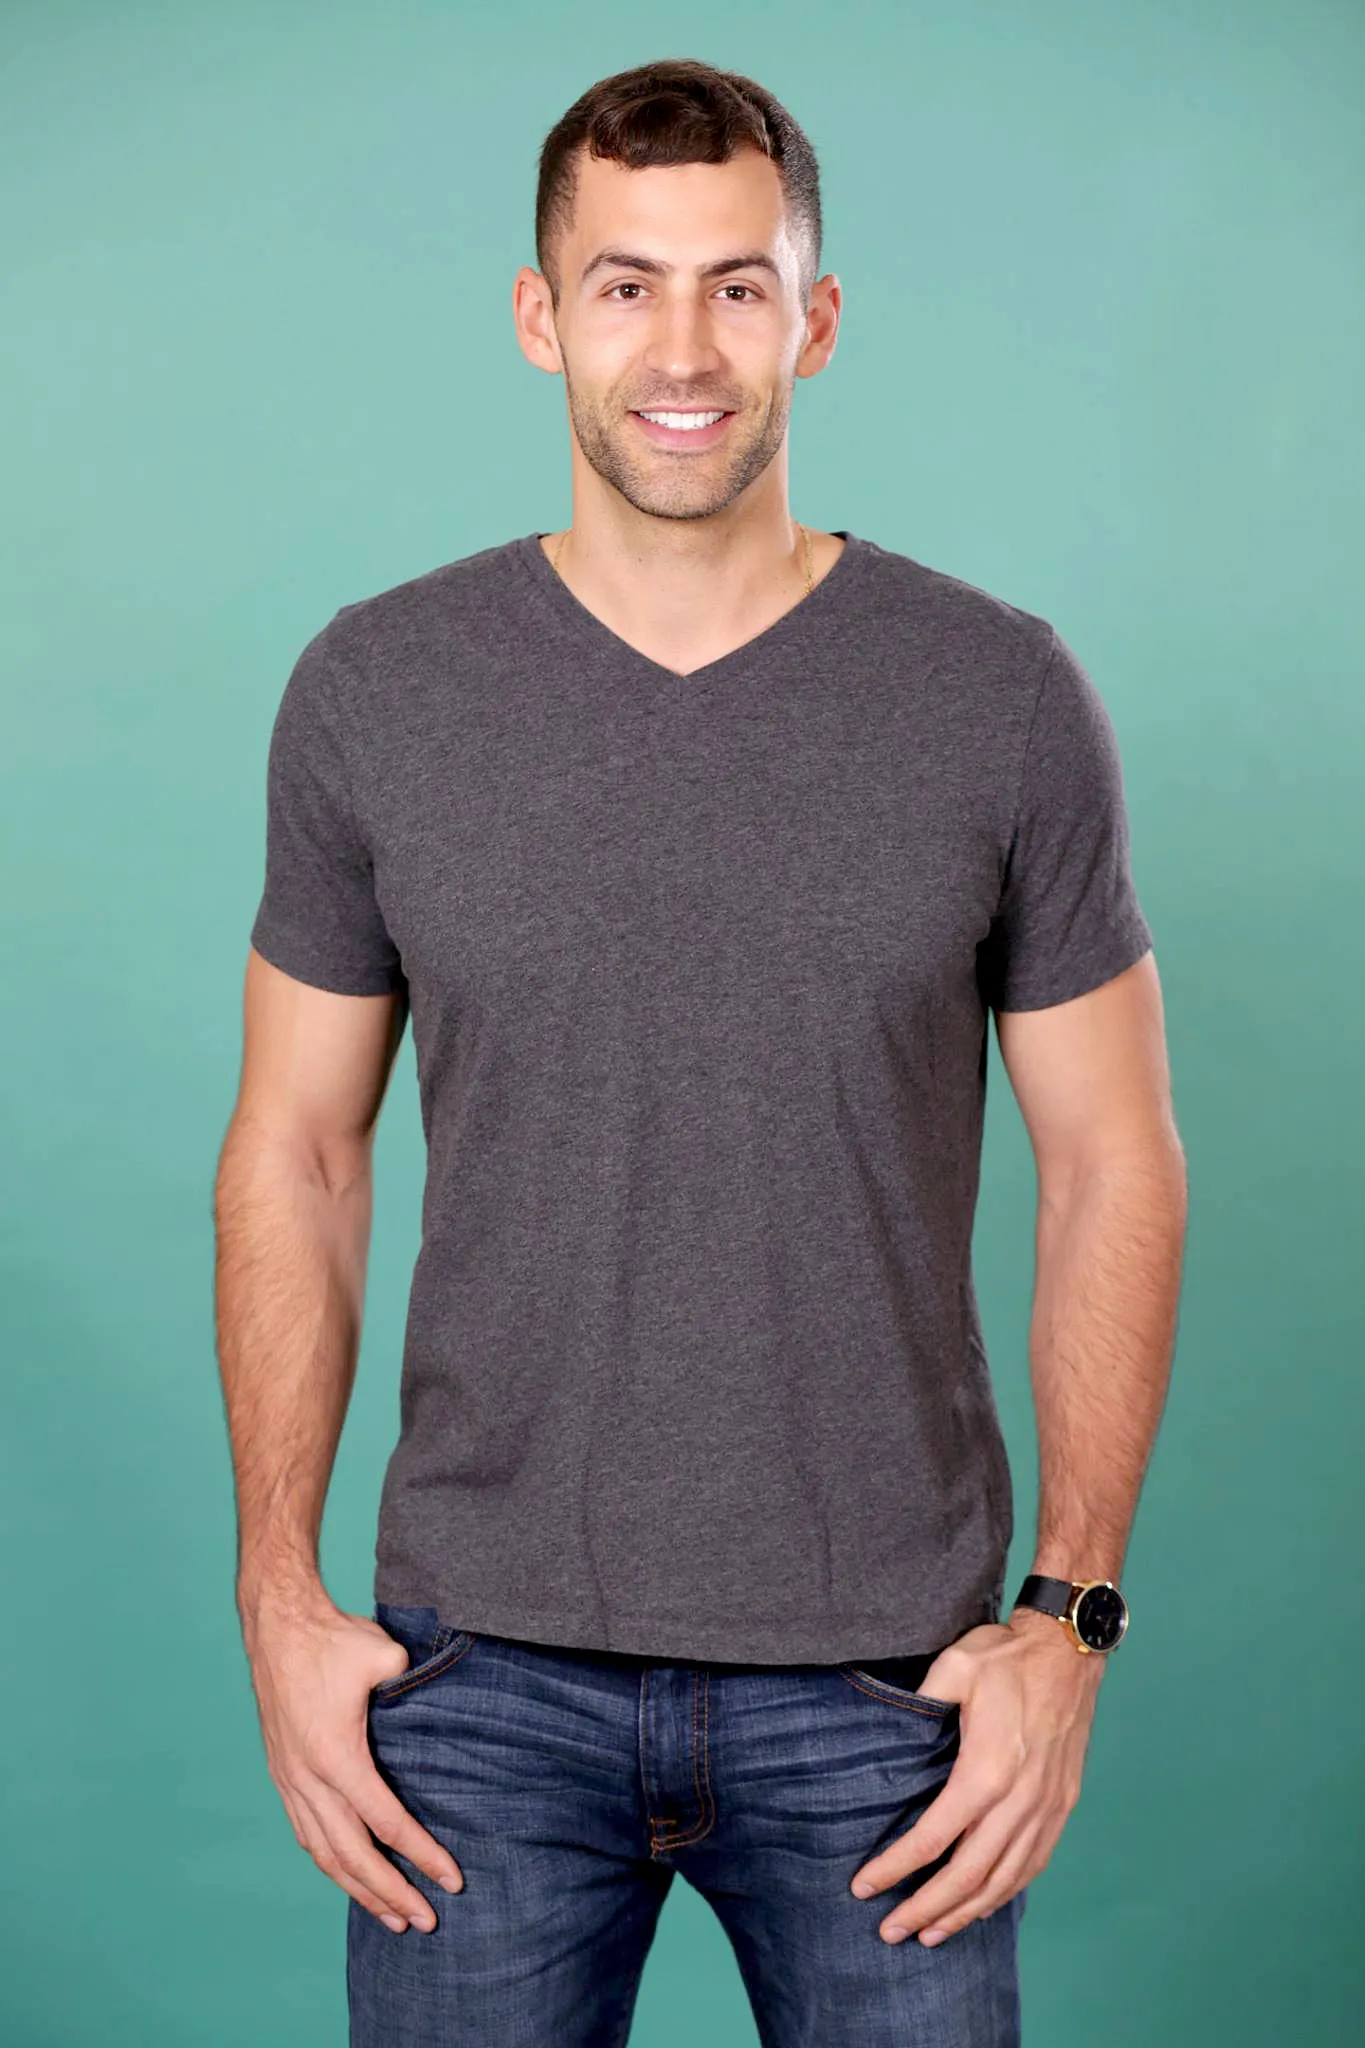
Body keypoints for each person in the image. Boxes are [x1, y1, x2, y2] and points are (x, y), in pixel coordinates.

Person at [214, 55, 1187, 2048]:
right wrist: (277, 1597)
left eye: (738, 287)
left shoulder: (996, 695)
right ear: (539, 314)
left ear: (813, 320)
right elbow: (296, 1151)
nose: (682, 348)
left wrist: (1070, 1619)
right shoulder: (376, 690)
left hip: (887, 1689)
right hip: (471, 1686)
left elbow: (1116, 1162)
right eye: (627, 284)